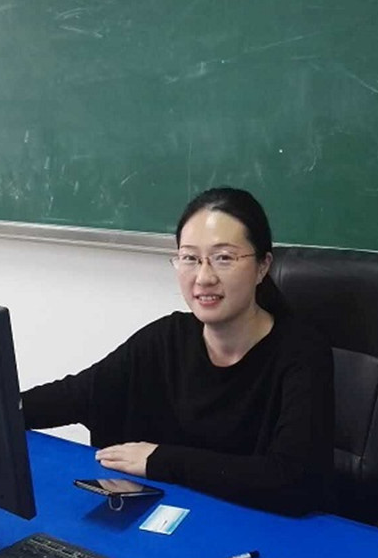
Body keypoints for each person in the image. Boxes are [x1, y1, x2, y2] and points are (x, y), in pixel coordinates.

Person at [21, 187, 334, 516]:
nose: (204, 277)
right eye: (190, 258)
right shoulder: (166, 338)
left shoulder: (302, 353)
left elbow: (291, 479)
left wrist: (161, 460)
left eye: (224, 258)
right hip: (180, 520)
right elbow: (76, 395)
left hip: (264, 530)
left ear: (262, 266)